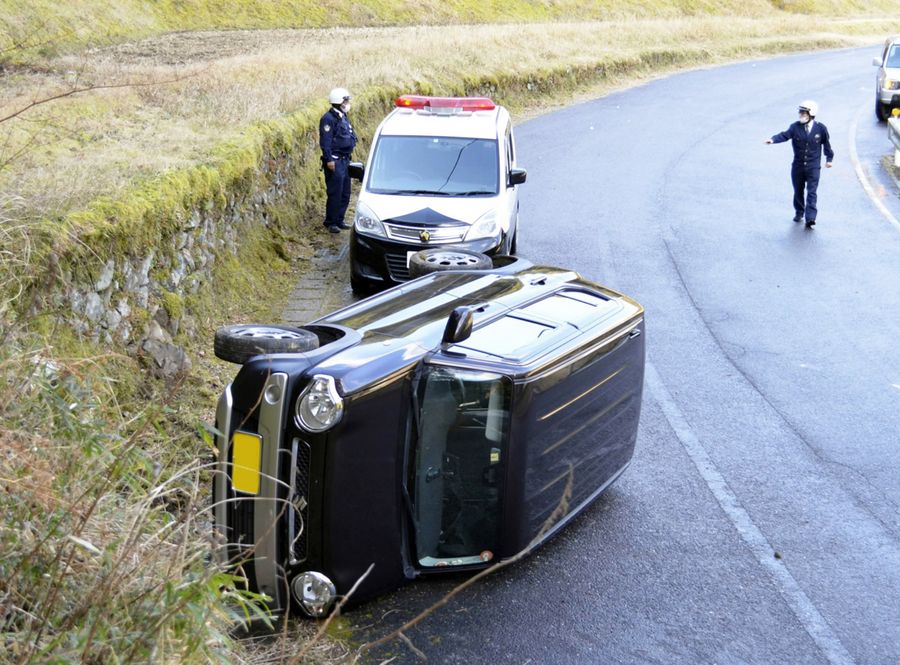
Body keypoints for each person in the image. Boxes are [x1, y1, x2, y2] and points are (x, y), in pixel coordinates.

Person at [765, 100, 834, 228]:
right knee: (798, 190)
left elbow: (827, 145)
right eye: (800, 112)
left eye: (804, 112)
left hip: (813, 167)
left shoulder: (821, 128)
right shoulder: (795, 127)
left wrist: (829, 159)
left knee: (812, 192)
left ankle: (810, 218)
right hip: (798, 166)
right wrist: (773, 140)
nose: (801, 114)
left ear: (811, 113)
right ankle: (799, 211)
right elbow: (785, 135)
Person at [319, 87, 358, 233]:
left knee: (345, 192)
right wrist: (329, 159)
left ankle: (339, 219)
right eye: (345, 100)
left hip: (345, 160)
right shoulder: (328, 119)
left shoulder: (342, 116)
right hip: (335, 160)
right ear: (338, 101)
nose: (348, 103)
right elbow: (326, 141)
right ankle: (331, 222)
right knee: (335, 192)